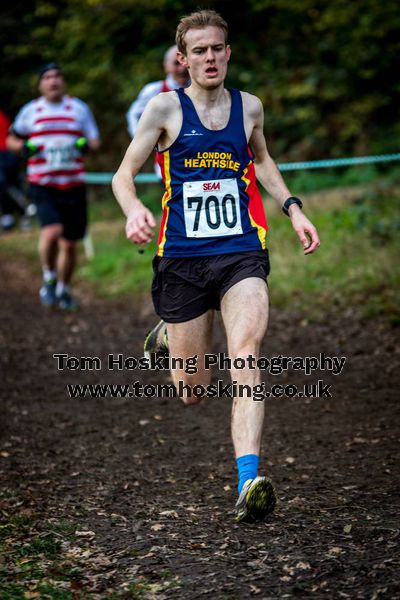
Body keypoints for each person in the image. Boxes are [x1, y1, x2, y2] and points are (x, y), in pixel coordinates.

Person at [112, 9, 320, 523]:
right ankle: (168, 333)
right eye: (198, 50)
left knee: (246, 351)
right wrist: (135, 209)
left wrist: (293, 210)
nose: (209, 58)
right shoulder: (164, 109)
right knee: (191, 391)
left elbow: (263, 159)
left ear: (228, 52)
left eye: (217, 48)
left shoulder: (249, 108)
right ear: (183, 59)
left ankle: (248, 480)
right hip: (182, 259)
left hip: (241, 253)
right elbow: (123, 174)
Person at [7, 62, 100, 310]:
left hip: (73, 184)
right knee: (52, 232)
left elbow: (94, 140)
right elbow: (10, 140)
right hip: (43, 184)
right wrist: (24, 148)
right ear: (41, 84)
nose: (53, 81)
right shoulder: (31, 111)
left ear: (63, 82)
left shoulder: (78, 109)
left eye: (57, 76)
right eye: (47, 77)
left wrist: (85, 146)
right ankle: (48, 276)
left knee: (69, 243)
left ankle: (64, 289)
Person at [126, 45, 190, 138]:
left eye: (185, 62)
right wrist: (140, 141)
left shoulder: (202, 90)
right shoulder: (153, 90)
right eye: (176, 63)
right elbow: (133, 114)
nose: (182, 68)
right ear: (166, 66)